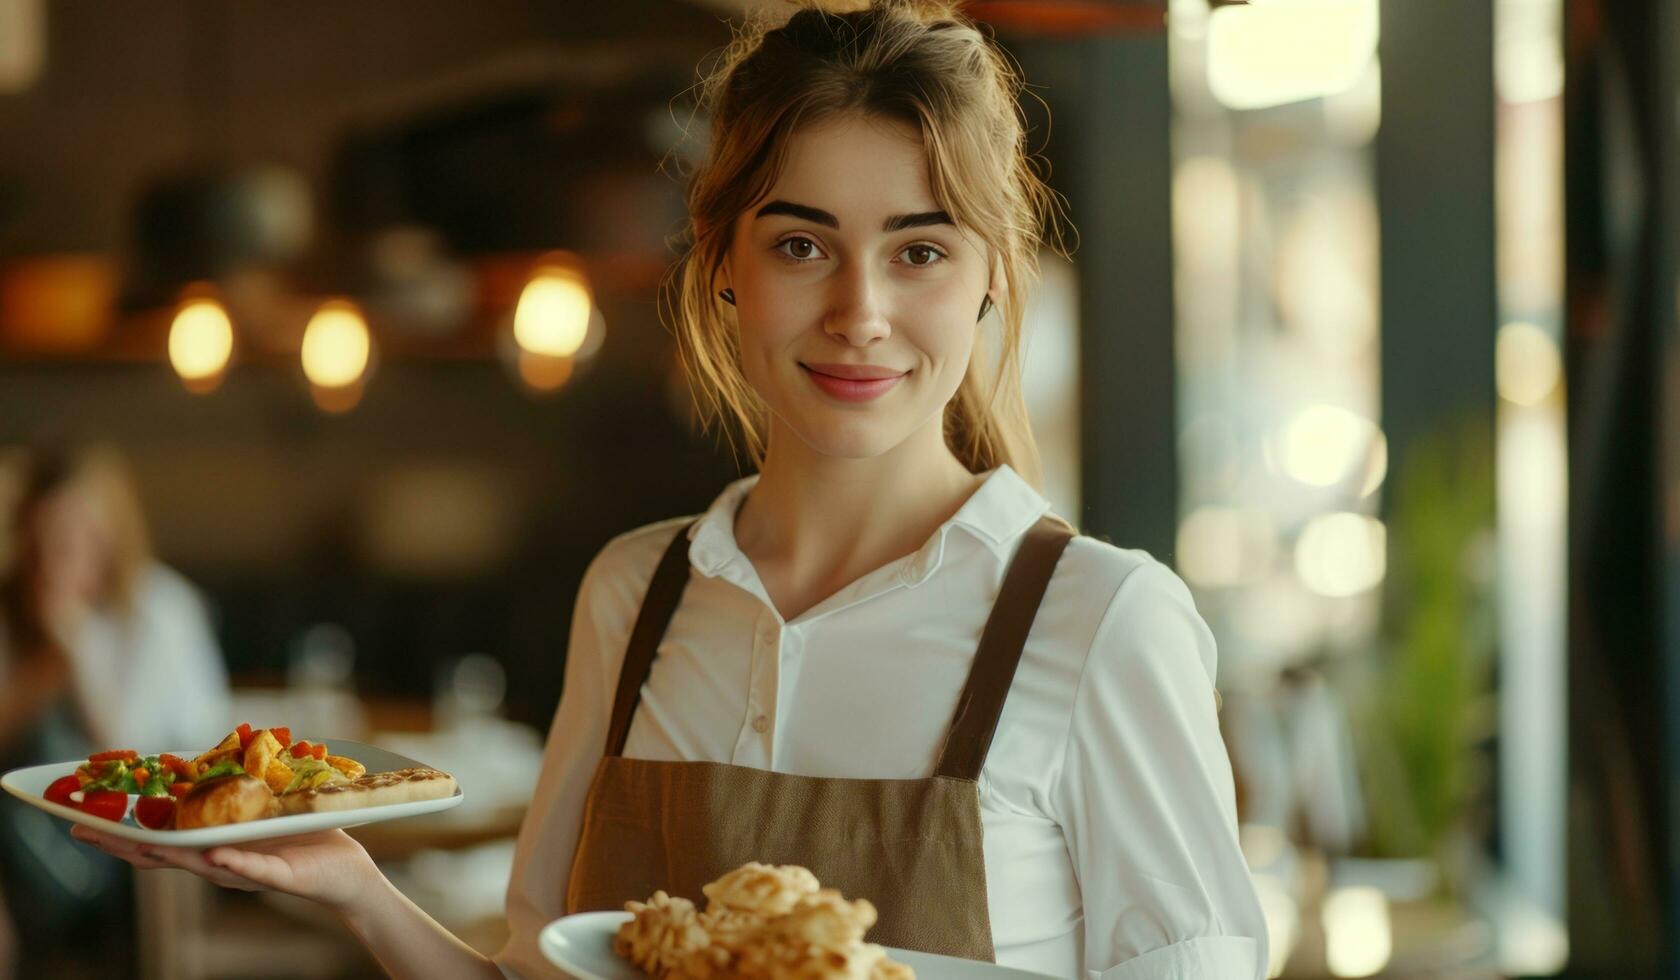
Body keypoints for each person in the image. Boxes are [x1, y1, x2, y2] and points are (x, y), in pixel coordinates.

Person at [70, 3, 1270, 977]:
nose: (860, 313)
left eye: (920, 249)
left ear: (991, 280)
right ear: (724, 267)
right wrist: (350, 888)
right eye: (801, 243)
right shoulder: (634, 594)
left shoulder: (1103, 620)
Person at [0, 444, 232, 976]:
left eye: (76, 538)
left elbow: (136, 759)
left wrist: (74, 651)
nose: (58, 560)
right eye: (43, 541)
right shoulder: (12, 611)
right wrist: (44, 665)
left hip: (134, 840)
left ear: (112, 536)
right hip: (24, 838)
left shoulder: (162, 613)